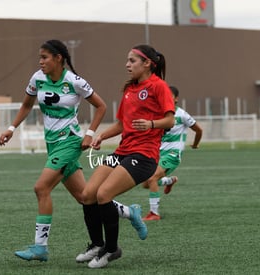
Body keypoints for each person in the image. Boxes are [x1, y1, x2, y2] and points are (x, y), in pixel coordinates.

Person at [0, 39, 107, 262]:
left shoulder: (74, 81)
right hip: (53, 144)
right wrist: (11, 128)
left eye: (45, 57)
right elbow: (27, 105)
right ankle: (128, 212)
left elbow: (101, 106)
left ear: (59, 58)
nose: (41, 62)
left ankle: (41, 248)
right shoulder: (37, 78)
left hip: (70, 141)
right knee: (85, 197)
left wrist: (89, 133)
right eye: (39, 57)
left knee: (41, 188)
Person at [76, 45, 175, 269]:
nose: (127, 65)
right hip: (122, 152)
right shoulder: (130, 89)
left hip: (144, 155)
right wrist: (102, 136)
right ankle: (96, 244)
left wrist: (151, 124)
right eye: (127, 61)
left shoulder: (159, 87)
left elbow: (170, 120)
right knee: (88, 194)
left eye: (132, 61)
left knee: (104, 194)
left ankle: (111, 250)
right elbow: (122, 124)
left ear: (147, 63)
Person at [142, 85, 203, 221]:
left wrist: (195, 144)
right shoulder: (158, 114)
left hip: (173, 154)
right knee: (146, 183)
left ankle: (154, 213)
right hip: (156, 154)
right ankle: (169, 181)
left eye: (169, 96)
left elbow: (199, 130)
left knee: (152, 179)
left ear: (176, 99)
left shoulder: (181, 115)